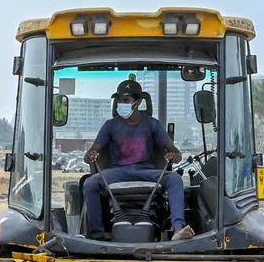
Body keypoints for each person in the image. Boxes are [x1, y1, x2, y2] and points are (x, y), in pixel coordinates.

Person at [81, 78, 192, 240]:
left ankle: (178, 229)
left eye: (125, 100)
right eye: (119, 100)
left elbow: (176, 152)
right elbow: (91, 153)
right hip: (117, 172)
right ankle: (96, 235)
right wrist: (90, 155)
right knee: (89, 183)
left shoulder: (152, 124)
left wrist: (173, 155)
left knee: (175, 179)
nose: (121, 103)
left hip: (145, 171)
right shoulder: (110, 125)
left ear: (138, 102)